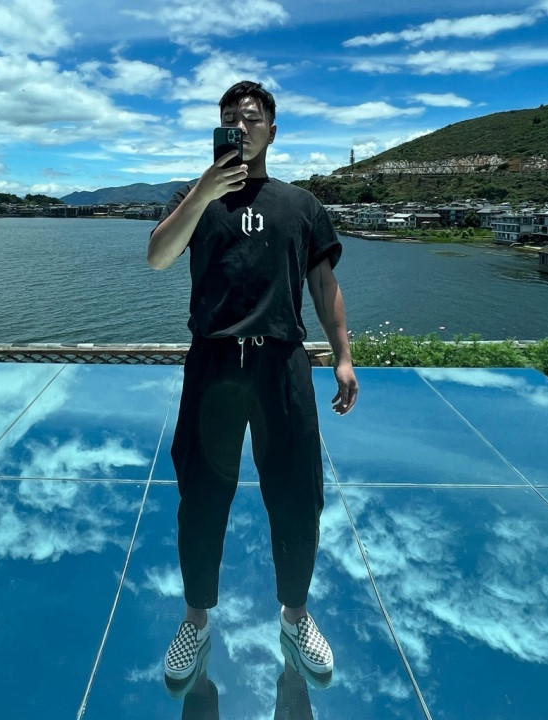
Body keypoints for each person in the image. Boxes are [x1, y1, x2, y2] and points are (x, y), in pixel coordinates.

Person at [148, 81, 358, 690]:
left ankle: (295, 615)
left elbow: (324, 286)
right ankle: (195, 620)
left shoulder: (302, 205)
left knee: (296, 494)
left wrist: (343, 356)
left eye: (251, 118)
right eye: (229, 119)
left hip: (281, 365)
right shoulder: (193, 198)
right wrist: (202, 192)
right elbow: (157, 257)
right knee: (201, 494)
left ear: (272, 130)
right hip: (213, 362)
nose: (240, 127)